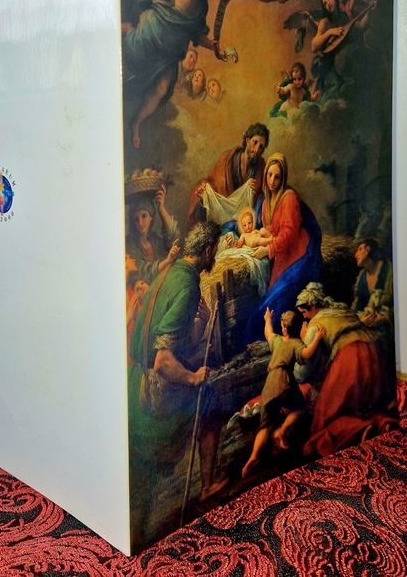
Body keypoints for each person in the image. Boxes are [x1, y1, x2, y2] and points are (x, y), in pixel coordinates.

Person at [128, 221, 227, 546]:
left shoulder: (167, 273)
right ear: (208, 250)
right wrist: (194, 377)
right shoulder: (187, 285)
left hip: (135, 381)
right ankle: (207, 487)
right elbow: (163, 361)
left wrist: (200, 323)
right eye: (215, 250)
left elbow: (171, 342)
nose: (214, 255)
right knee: (211, 397)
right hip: (157, 391)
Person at [124, 0, 242, 148]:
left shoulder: (202, 8)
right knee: (134, 52)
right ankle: (126, 31)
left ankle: (136, 122)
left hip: (170, 53)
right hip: (157, 31)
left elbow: (196, 34)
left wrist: (213, 46)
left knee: (162, 88)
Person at [295, 282, 397, 458]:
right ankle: (380, 424)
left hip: (351, 357)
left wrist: (303, 341)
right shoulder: (341, 310)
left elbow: (303, 373)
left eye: (304, 312)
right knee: (366, 405)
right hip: (373, 351)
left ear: (312, 305)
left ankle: (361, 429)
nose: (304, 317)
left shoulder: (315, 326)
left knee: (327, 415)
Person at [244, 152, 322, 343]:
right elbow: (273, 229)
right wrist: (263, 235)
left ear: (283, 177)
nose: (272, 181)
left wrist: (268, 249)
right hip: (282, 256)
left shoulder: (289, 198)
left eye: (277, 177)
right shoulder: (265, 202)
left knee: (275, 303)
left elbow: (289, 233)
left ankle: (277, 342)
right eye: (269, 175)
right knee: (267, 305)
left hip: (298, 257)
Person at [241, 308, 325, 478]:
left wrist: (267, 318)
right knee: (300, 408)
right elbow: (307, 353)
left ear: (284, 329)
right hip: (284, 381)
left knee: (265, 425)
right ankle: (282, 431)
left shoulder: (277, 341)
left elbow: (268, 332)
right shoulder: (296, 344)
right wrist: (317, 337)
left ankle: (253, 456)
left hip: (269, 386)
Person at [188, 122, 270, 223]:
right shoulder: (226, 159)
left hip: (245, 223)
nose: (256, 149)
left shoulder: (261, 167)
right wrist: (204, 192)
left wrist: (256, 193)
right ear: (247, 140)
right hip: (222, 218)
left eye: (261, 147)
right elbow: (213, 184)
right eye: (255, 142)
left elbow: (265, 194)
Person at [125, 184, 180, 284]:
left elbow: (174, 238)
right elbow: (143, 271)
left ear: (151, 217)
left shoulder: (156, 239)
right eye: (136, 219)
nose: (140, 223)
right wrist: (167, 261)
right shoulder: (129, 244)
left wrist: (161, 209)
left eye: (144, 216)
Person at [352, 238, 393, 329]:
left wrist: (385, 318)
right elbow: (358, 306)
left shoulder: (388, 271)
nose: (356, 255)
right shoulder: (362, 276)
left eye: (360, 249)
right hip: (366, 327)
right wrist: (360, 320)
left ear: (368, 250)